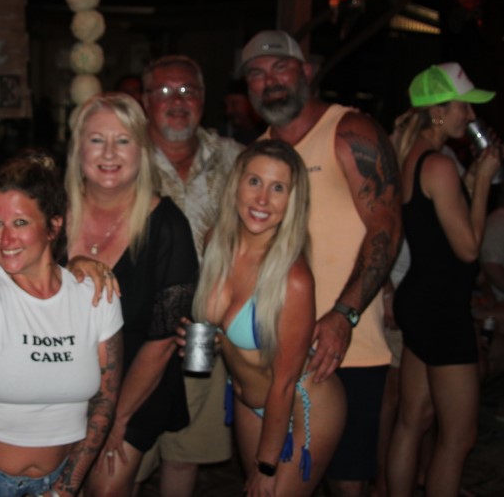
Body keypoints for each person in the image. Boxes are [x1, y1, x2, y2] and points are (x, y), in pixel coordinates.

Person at [240, 30, 402, 497]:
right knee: (270, 480)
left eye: (281, 68)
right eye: (257, 73)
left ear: (307, 72)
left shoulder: (350, 131)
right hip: (272, 350)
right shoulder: (258, 154)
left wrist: (343, 315)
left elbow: (387, 227)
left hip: (345, 347)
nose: (270, 81)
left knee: (346, 484)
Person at [0, 156, 123, 497]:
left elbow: (104, 405)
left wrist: (64, 490)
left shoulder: (96, 295)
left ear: (53, 226)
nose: (6, 238)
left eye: (20, 222)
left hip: (54, 484)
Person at [192, 139, 346, 495]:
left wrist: (267, 464)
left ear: (292, 200)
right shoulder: (216, 243)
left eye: (278, 188)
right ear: (237, 184)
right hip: (245, 400)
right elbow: (226, 332)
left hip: (300, 404)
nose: (262, 199)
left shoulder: (294, 279)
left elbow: (284, 382)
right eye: (254, 181)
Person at [64, 93, 199, 495]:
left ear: (142, 151)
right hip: (58, 377)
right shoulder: (50, 213)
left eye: (123, 140)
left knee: (104, 488)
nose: (109, 153)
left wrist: (114, 418)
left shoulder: (168, 226)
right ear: (78, 148)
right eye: (96, 140)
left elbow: (163, 341)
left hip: (135, 384)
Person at [387, 62, 499, 497]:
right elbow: (468, 249)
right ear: (437, 111)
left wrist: (470, 178)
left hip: (420, 299)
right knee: (459, 437)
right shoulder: (437, 164)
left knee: (413, 420)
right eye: (462, 107)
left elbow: (438, 226)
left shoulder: (415, 157)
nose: (469, 116)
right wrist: (484, 182)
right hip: (441, 309)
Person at [135, 55, 243, 496]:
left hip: (206, 329)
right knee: (127, 458)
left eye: (188, 91)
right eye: (164, 92)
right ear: (145, 101)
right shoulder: (122, 155)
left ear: (203, 98)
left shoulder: (234, 158)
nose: (177, 101)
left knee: (185, 453)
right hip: (137, 330)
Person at [218, 78, 264, 145]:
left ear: (251, 102)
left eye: (234, 104)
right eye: (226, 106)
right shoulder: (227, 135)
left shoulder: (268, 133)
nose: (229, 111)